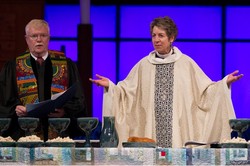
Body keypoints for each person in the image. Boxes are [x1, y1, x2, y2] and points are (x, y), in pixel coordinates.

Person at [89, 16, 243, 148]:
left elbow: (205, 92)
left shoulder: (186, 63)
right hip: (150, 132)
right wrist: (111, 86)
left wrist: (224, 84)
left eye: (161, 35)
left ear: (171, 38)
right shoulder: (144, 65)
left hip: (178, 133)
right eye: (154, 35)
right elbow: (127, 93)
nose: (156, 40)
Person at [0, 19, 87, 141]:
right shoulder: (13, 67)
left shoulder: (66, 65)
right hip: (24, 134)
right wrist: (17, 108)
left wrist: (65, 111)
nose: (39, 40)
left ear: (49, 38)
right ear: (26, 39)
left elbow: (78, 99)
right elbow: (4, 100)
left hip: (58, 133)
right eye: (34, 36)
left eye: (43, 35)